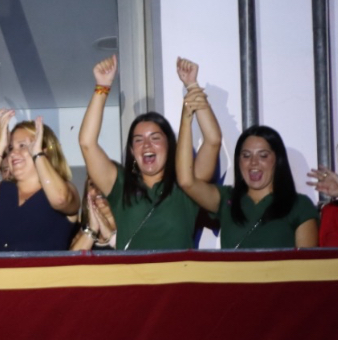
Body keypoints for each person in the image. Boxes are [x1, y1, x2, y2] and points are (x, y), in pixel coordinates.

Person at [78, 55, 212, 250]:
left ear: (169, 145)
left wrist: (192, 86)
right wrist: (102, 86)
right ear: (132, 151)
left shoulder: (187, 185)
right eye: (139, 140)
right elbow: (87, 143)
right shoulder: (120, 186)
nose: (147, 145)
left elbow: (212, 142)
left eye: (155, 138)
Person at [177, 90, 318, 248]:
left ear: (277, 160)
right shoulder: (227, 199)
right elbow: (186, 181)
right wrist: (187, 117)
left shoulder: (299, 205)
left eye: (263, 156)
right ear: (238, 161)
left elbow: (306, 262)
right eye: (246, 155)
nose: (253, 162)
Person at [0, 109, 79, 252]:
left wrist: (37, 154)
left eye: (22, 146)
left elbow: (60, 199)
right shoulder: (2, 189)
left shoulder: (65, 188)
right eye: (10, 148)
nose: (13, 153)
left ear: (45, 151)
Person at [70, 180, 119, 250]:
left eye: (104, 184)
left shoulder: (131, 227)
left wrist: (110, 236)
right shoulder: (77, 231)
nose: (98, 189)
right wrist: (92, 229)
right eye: (92, 185)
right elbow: (72, 257)